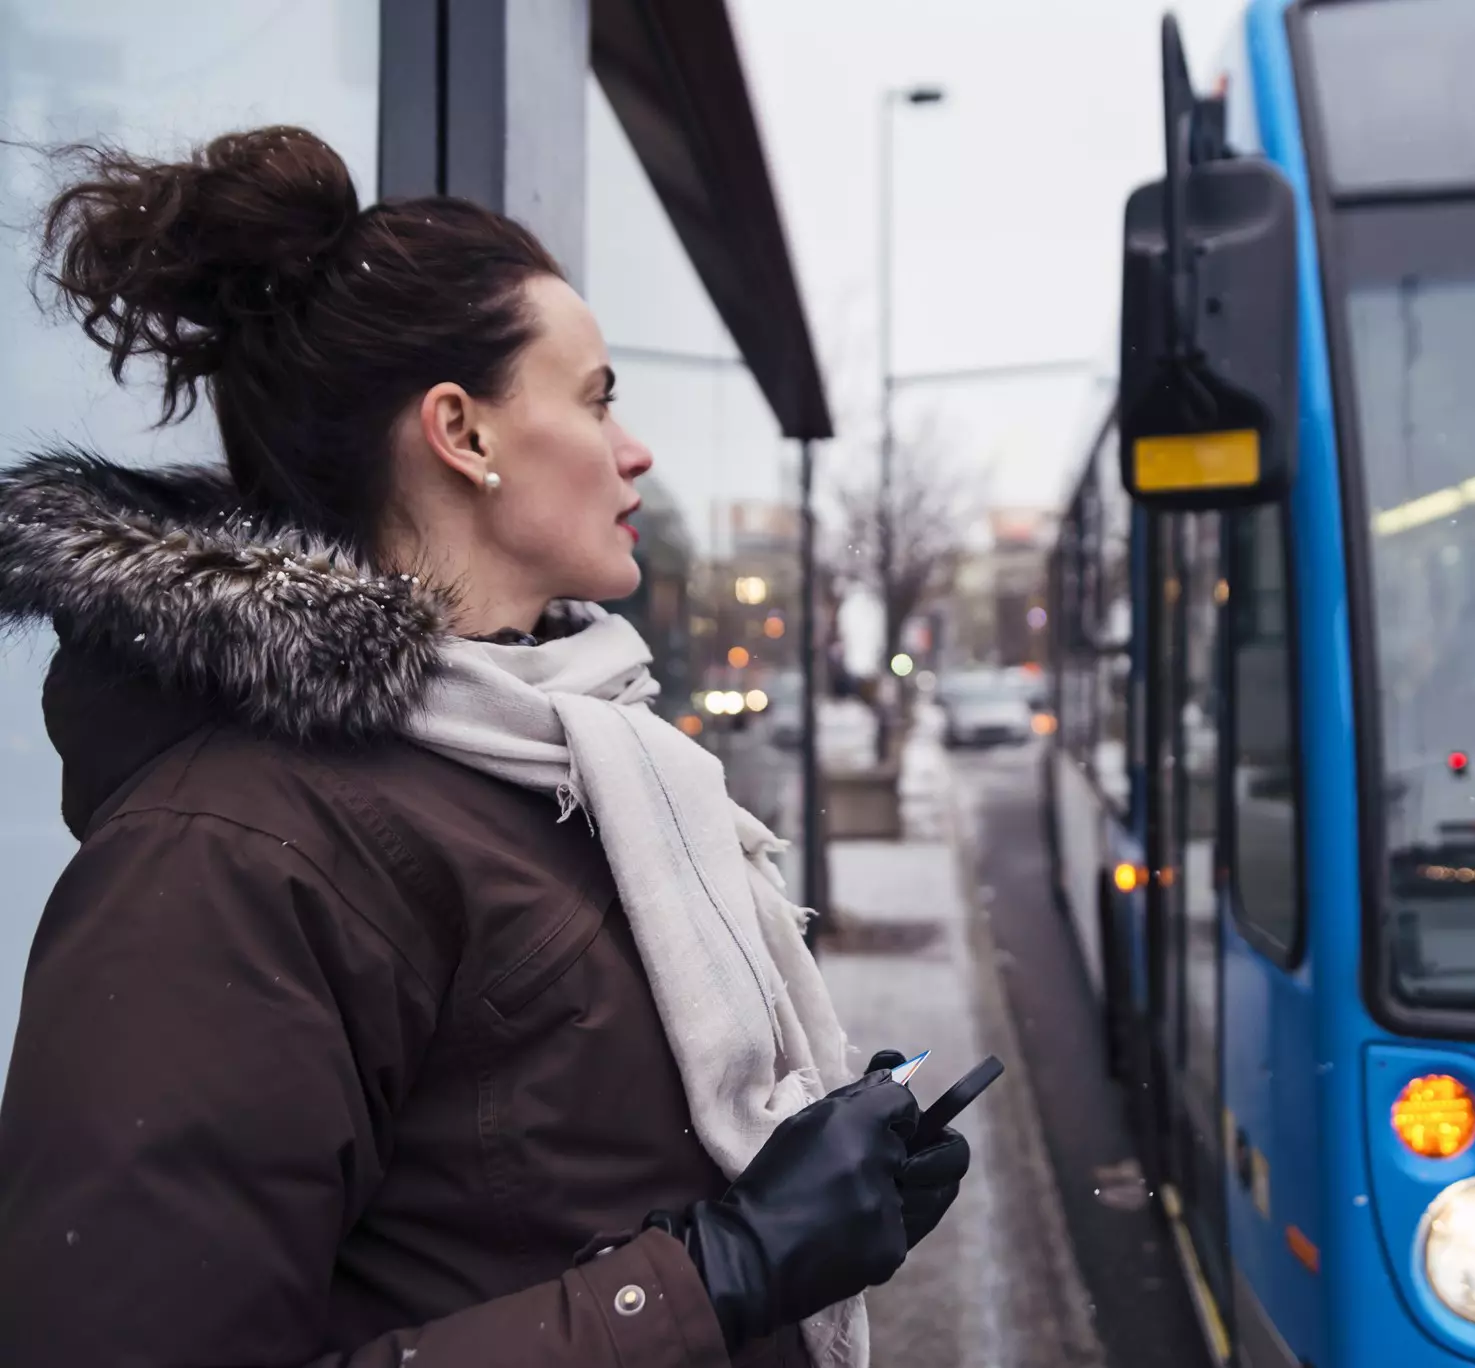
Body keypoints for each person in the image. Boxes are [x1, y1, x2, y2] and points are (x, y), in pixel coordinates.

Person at [0, 126, 968, 1367]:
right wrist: (724, 1271)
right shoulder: (222, 856)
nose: (636, 449)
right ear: (463, 433)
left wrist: (818, 1203)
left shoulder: (559, 761)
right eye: (597, 396)